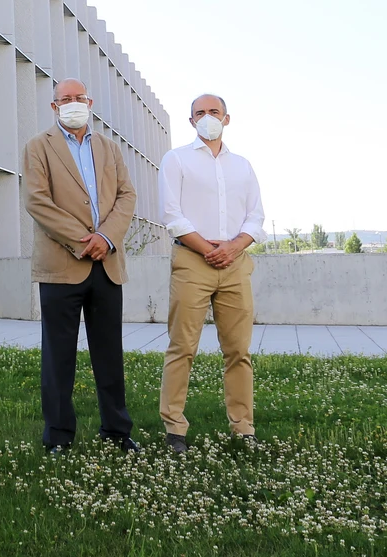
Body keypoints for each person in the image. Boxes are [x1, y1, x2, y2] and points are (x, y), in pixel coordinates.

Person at [22, 78, 139, 454]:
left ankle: (117, 431)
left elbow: (126, 195)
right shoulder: (38, 147)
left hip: (107, 264)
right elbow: (38, 202)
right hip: (60, 266)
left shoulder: (109, 148)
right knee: (58, 357)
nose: (73, 103)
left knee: (110, 354)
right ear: (54, 106)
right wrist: (82, 240)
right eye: (65, 99)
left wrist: (105, 238)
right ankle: (58, 436)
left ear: (90, 102)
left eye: (79, 98)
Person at [156, 93, 264, 451]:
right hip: (192, 261)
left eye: (213, 111)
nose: (207, 117)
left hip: (235, 263)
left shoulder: (243, 166)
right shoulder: (176, 160)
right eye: (199, 113)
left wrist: (233, 248)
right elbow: (172, 215)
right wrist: (207, 249)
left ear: (226, 119)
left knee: (238, 351)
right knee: (182, 346)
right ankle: (175, 428)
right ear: (190, 122)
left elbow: (255, 216)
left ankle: (243, 427)